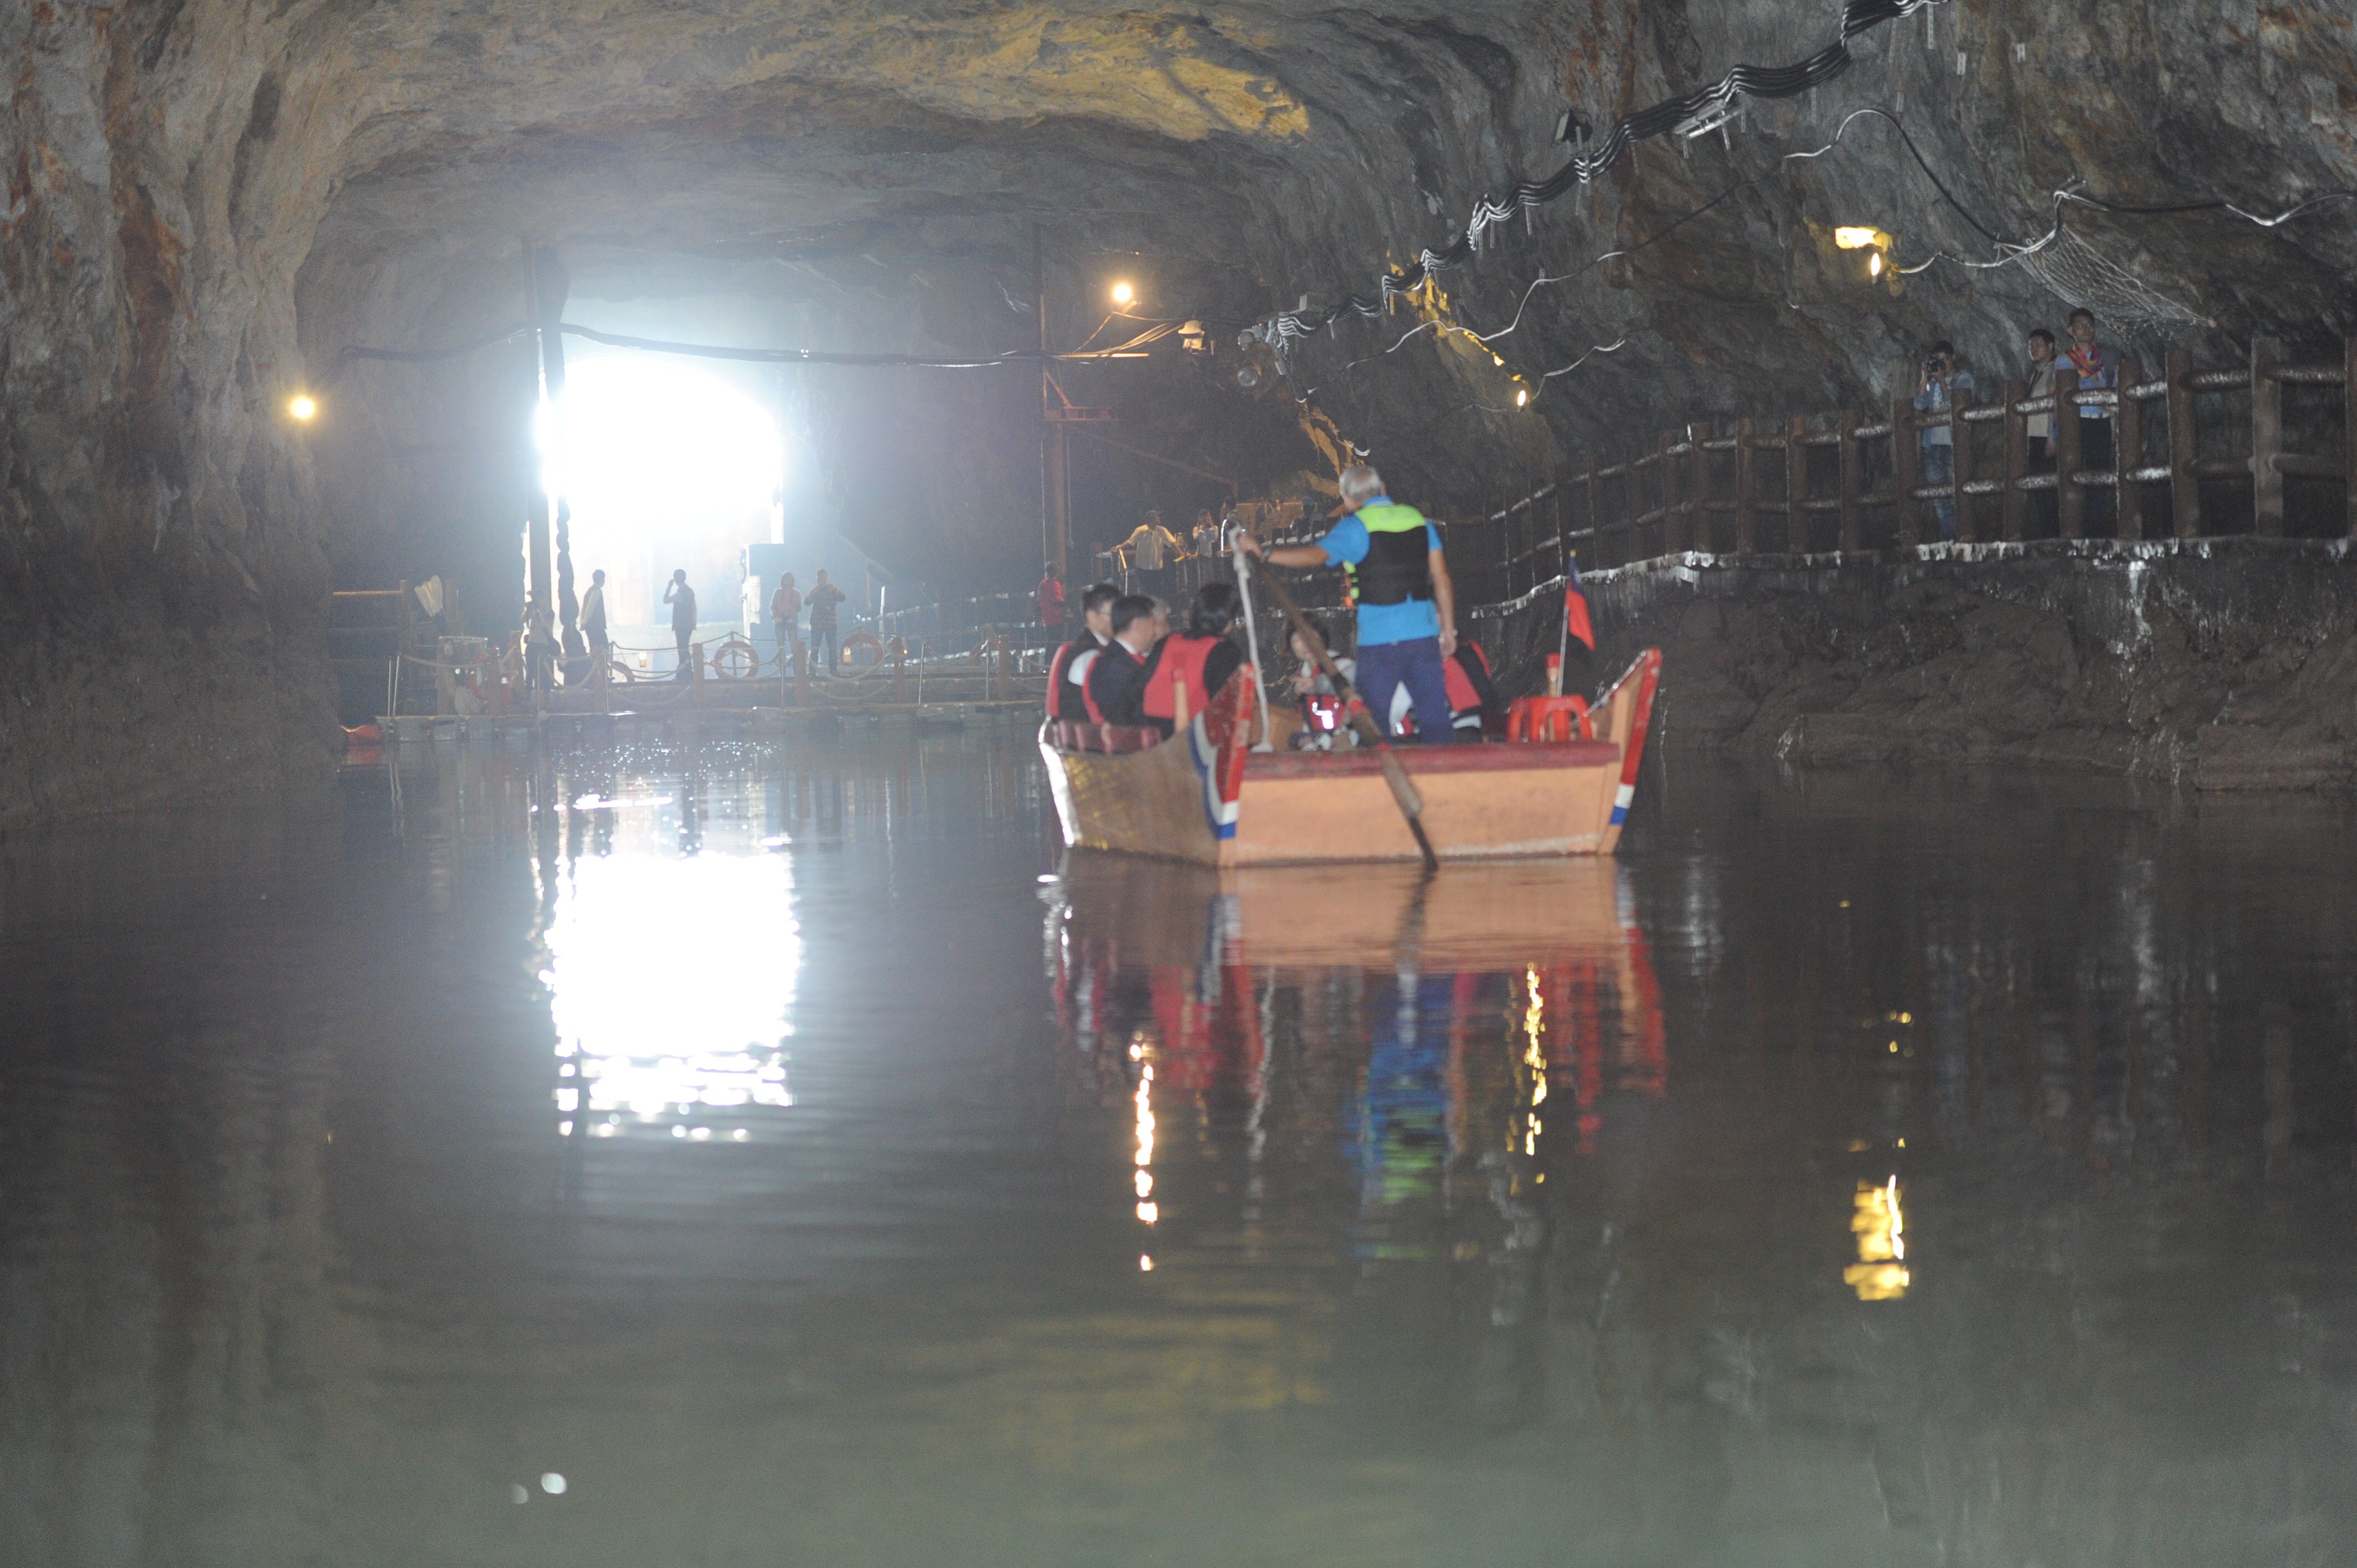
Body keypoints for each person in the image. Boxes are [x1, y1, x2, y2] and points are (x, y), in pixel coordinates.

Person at [1238, 463, 1461, 743]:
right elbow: (1441, 577)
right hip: (1425, 634)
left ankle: (1376, 778)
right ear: (1383, 490)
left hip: (1381, 639)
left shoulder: (1356, 528)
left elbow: (1316, 556)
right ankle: (1448, 778)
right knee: (1434, 716)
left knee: (1372, 718)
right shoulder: (1417, 520)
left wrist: (1267, 554)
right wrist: (1449, 628)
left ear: (1348, 500)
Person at [1134, 581, 1249, 737]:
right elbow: (1226, 704)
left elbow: (1140, 687)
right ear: (1228, 619)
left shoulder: (1167, 641)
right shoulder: (1225, 651)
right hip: (1190, 737)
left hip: (1149, 730)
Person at [1913, 341, 1975, 543]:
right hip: (1932, 444)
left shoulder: (1963, 378)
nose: (1939, 364)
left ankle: (1964, 536)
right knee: (1939, 496)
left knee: (1958, 492)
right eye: (1936, 361)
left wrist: (1942, 382)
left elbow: (1956, 405)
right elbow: (1919, 404)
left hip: (1954, 443)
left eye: (1943, 360)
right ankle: (1948, 537)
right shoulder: (1931, 382)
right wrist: (1925, 378)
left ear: (1952, 358)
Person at [2063, 308, 2118, 531]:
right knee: (2077, 473)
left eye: (2089, 325)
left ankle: (2098, 527)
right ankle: (2077, 527)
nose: (2085, 329)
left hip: (2102, 420)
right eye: (2080, 325)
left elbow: (2115, 387)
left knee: (2100, 473)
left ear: (2095, 328)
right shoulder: (2066, 361)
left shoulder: (2105, 358)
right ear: (2071, 331)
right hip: (2080, 422)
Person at [1046, 582, 1120, 722]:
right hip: (1088, 738)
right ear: (1092, 616)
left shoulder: (1088, 649)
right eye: (1113, 614)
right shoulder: (1089, 657)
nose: (1119, 620)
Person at [1083, 594, 1160, 726]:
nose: (1154, 632)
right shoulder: (1119, 667)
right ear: (1137, 625)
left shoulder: (1113, 658)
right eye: (1153, 624)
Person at [2024, 328, 2060, 536]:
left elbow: (2055, 407)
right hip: (2034, 438)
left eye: (2037, 345)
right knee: (2039, 489)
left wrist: (2052, 437)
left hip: (2046, 439)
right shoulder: (2037, 373)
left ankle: (2053, 533)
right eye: (2030, 346)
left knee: (2049, 490)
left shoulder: (2055, 371)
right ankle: (2046, 533)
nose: (2033, 349)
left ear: (2050, 346)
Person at [806, 569, 846, 675]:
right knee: (815, 648)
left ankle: (833, 670)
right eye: (820, 577)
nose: (822, 579)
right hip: (817, 623)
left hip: (830, 623)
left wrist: (835, 591)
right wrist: (812, 593)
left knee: (832, 648)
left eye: (823, 577)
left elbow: (843, 598)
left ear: (827, 578)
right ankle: (812, 671)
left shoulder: (832, 590)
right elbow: (806, 602)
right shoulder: (815, 591)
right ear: (817, 579)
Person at [662, 569, 697, 680]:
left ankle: (684, 673)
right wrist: (694, 623)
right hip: (689, 625)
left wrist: (669, 587)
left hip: (681, 625)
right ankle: (687, 672)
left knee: (682, 649)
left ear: (676, 579)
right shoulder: (690, 591)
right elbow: (694, 608)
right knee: (685, 648)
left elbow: (666, 600)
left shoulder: (679, 593)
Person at [771, 572, 802, 672]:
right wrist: (777, 614)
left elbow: (799, 608)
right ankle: (781, 669)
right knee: (781, 647)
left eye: (790, 579)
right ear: (782, 580)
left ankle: (796, 669)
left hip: (791, 621)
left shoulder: (797, 593)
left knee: (794, 645)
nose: (788, 581)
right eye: (786, 579)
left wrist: (792, 610)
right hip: (780, 621)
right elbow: (773, 606)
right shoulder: (778, 592)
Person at [580, 569, 609, 671]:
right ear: (602, 580)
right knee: (603, 649)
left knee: (594, 649)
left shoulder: (589, 591)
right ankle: (602, 674)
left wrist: (583, 622)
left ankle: (597, 674)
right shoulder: (597, 592)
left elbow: (584, 608)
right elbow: (590, 608)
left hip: (590, 627)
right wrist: (584, 622)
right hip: (596, 627)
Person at [1036, 566, 1066, 631]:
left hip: (1046, 618)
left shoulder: (1042, 584)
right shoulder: (1055, 584)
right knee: (1057, 640)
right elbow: (1057, 601)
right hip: (1056, 618)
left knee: (1050, 640)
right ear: (1056, 572)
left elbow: (1039, 600)